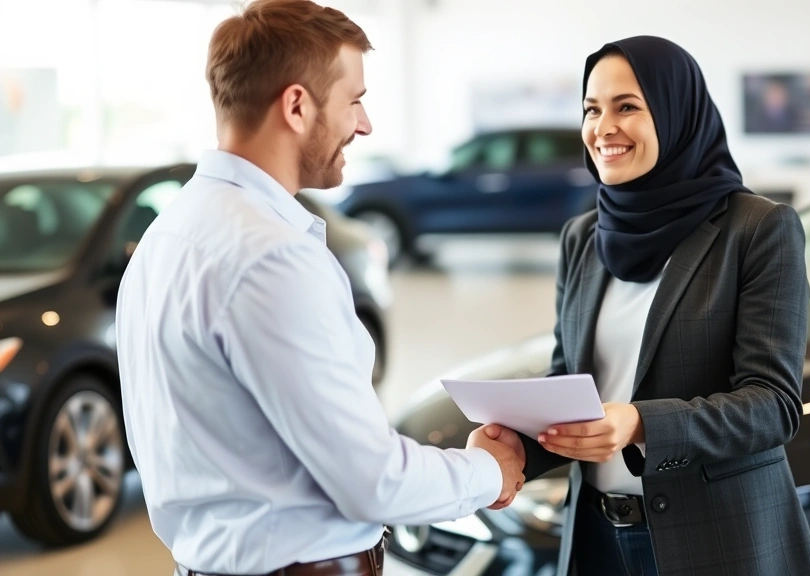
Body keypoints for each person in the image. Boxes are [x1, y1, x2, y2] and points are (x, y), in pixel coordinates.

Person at [115, 2, 524, 575]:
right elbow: (372, 481)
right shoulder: (271, 257)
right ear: (297, 106)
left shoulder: (168, 233)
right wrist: (487, 472)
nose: (365, 124)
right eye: (354, 100)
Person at [486, 36, 810, 575]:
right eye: (592, 110)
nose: (603, 128)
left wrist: (641, 423)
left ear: (676, 115)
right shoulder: (583, 237)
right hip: (597, 538)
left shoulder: (757, 229)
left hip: (715, 541)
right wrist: (515, 444)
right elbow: (569, 385)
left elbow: (773, 406)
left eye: (627, 107)